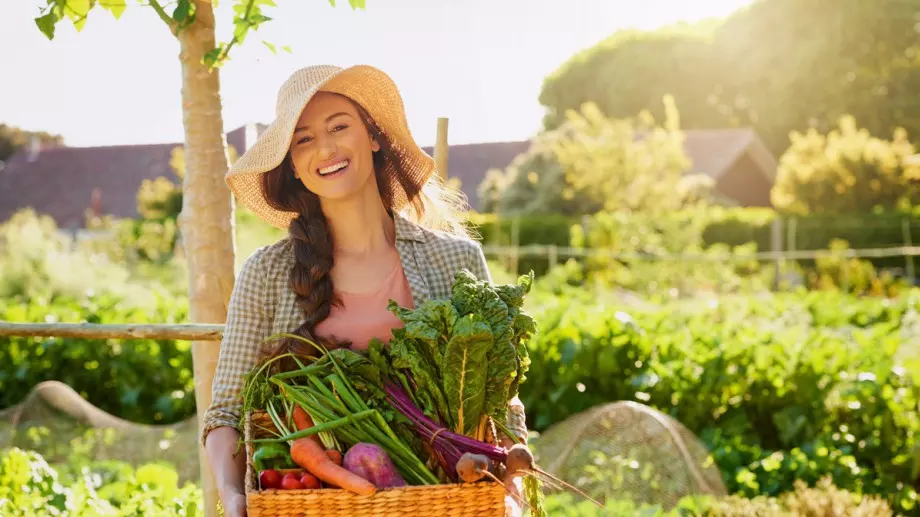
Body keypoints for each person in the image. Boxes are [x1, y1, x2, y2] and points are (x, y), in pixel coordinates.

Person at [200, 64, 530, 517]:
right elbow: (225, 414)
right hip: (317, 504)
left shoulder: (455, 261)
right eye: (304, 139)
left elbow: (500, 398)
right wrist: (231, 494)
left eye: (339, 126)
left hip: (447, 501)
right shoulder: (267, 273)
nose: (326, 147)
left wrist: (511, 483)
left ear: (373, 137)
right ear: (294, 166)